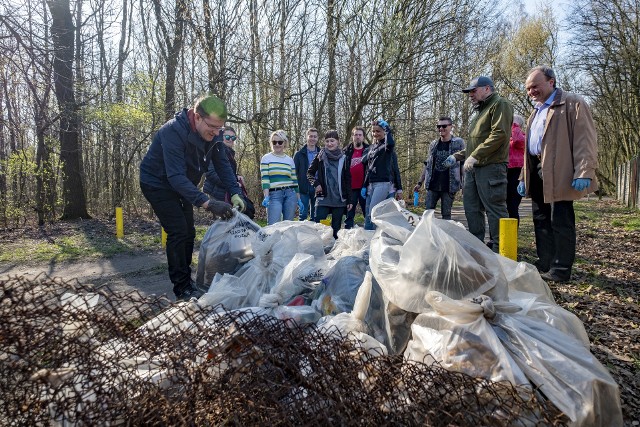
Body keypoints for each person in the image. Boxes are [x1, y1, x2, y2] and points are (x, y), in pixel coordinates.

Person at [139, 95, 245, 301]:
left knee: (189, 231)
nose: (216, 133)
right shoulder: (172, 131)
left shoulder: (214, 136)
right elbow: (175, 176)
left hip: (184, 184)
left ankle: (188, 282)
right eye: (213, 127)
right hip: (157, 182)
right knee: (178, 230)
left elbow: (223, 165)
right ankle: (182, 288)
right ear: (197, 117)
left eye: (220, 128)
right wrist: (207, 202)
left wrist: (235, 192)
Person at [518, 66, 598, 282]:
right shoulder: (536, 110)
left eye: (535, 86)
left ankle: (561, 269)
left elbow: (585, 140)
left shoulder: (572, 103)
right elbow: (530, 147)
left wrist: (584, 171)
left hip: (559, 169)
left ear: (551, 82)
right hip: (536, 168)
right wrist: (524, 176)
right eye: (528, 89)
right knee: (540, 218)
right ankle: (545, 262)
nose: (531, 92)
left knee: (560, 220)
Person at [456, 76, 513, 252]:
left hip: (491, 166)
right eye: (469, 92)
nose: (470, 95)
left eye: (473, 91)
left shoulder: (500, 104)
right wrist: (458, 156)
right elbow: (476, 142)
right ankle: (477, 248)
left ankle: (501, 250)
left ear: (487, 89)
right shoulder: (480, 111)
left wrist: (476, 156)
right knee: (471, 208)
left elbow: (499, 135)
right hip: (474, 168)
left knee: (494, 208)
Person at [413, 116, 465, 220]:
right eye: (439, 126)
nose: (441, 128)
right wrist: (419, 182)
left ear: (451, 127)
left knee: (446, 215)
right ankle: (428, 235)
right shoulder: (433, 144)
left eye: (444, 126)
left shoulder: (458, 143)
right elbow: (427, 164)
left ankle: (445, 236)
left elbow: (463, 164)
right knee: (427, 214)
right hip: (432, 185)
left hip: (449, 186)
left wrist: (465, 185)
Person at [307, 130, 352, 239]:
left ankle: (333, 254)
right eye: (327, 141)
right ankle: (318, 249)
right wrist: (316, 183)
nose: (329, 143)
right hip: (323, 198)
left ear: (338, 142)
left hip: (339, 200)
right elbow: (310, 173)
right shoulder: (320, 156)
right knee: (318, 227)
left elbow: (347, 179)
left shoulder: (344, 158)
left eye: (332, 141)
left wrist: (349, 200)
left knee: (335, 229)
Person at [204, 126, 255, 219]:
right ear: (220, 137)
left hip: (226, 192)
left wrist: (237, 177)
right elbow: (211, 173)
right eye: (227, 137)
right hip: (217, 193)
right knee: (223, 223)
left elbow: (228, 172)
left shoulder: (229, 153)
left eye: (233, 138)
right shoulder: (216, 150)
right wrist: (233, 183)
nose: (230, 140)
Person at [260, 130, 304, 225]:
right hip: (274, 195)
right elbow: (265, 179)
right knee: (273, 226)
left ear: (284, 143)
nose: (277, 144)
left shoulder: (289, 160)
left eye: (280, 142)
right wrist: (266, 196)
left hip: (290, 195)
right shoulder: (266, 158)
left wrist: (299, 199)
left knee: (288, 226)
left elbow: (294, 180)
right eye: (274, 142)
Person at [362, 118, 396, 230]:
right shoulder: (372, 147)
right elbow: (369, 168)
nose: (375, 133)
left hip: (382, 183)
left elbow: (390, 144)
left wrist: (387, 130)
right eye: (373, 131)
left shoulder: (386, 146)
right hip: (371, 183)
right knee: (368, 213)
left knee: (373, 212)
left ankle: (378, 237)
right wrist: (364, 185)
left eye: (378, 131)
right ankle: (370, 237)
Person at [343, 126, 369, 229]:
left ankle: (370, 234)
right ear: (352, 137)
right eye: (355, 135)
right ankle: (347, 234)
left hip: (365, 187)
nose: (358, 137)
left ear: (363, 137)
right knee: (349, 214)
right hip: (350, 188)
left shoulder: (369, 150)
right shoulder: (346, 151)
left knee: (367, 213)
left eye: (360, 135)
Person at [294, 128, 321, 221]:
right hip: (303, 187)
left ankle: (314, 235)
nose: (312, 138)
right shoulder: (299, 154)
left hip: (317, 187)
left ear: (317, 138)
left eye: (315, 136)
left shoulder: (322, 153)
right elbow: (294, 173)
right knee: (303, 214)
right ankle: (301, 235)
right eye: (310, 136)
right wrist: (296, 188)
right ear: (306, 137)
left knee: (316, 215)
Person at [507, 114, 526, 222]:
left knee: (512, 206)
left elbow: (518, 140)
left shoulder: (523, 137)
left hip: (516, 173)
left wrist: (515, 125)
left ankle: (512, 237)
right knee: (501, 207)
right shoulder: (504, 139)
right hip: (504, 172)